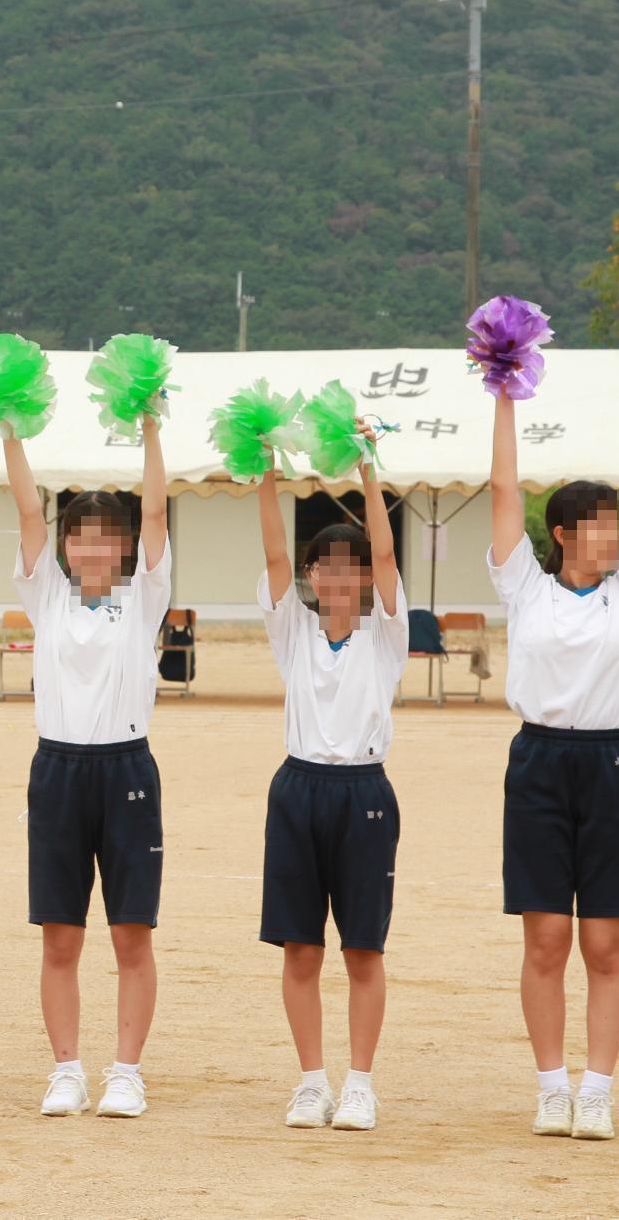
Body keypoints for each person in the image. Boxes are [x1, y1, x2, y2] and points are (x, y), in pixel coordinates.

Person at [489, 392, 619, 1141]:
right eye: (602, 525)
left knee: (607, 942)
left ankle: (598, 1091)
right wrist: (503, 392)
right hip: (540, 763)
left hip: (612, 761)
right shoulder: (525, 585)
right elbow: (503, 489)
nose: (616, 535)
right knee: (548, 937)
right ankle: (552, 1087)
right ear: (561, 533)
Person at [6, 418, 170, 1119]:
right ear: (66, 545)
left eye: (108, 536)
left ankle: (126, 1072)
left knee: (131, 934)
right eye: (81, 535)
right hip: (58, 772)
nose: (94, 547)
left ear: (125, 546)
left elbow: (157, 510)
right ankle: (66, 1070)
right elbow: (26, 510)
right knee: (61, 935)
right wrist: (9, 430)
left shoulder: (145, 597)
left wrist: (151, 430)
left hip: (127, 771)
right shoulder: (46, 594)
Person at [254, 426, 404, 1132]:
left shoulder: (385, 633)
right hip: (298, 789)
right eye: (325, 568)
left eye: (353, 569)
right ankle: (312, 1081)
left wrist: (369, 468)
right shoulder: (294, 631)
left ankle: (360, 1084)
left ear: (367, 579)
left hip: (364, 793)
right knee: (300, 945)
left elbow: (387, 549)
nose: (338, 579)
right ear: (312, 577)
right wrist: (263, 471)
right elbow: (273, 553)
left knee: (363, 947)